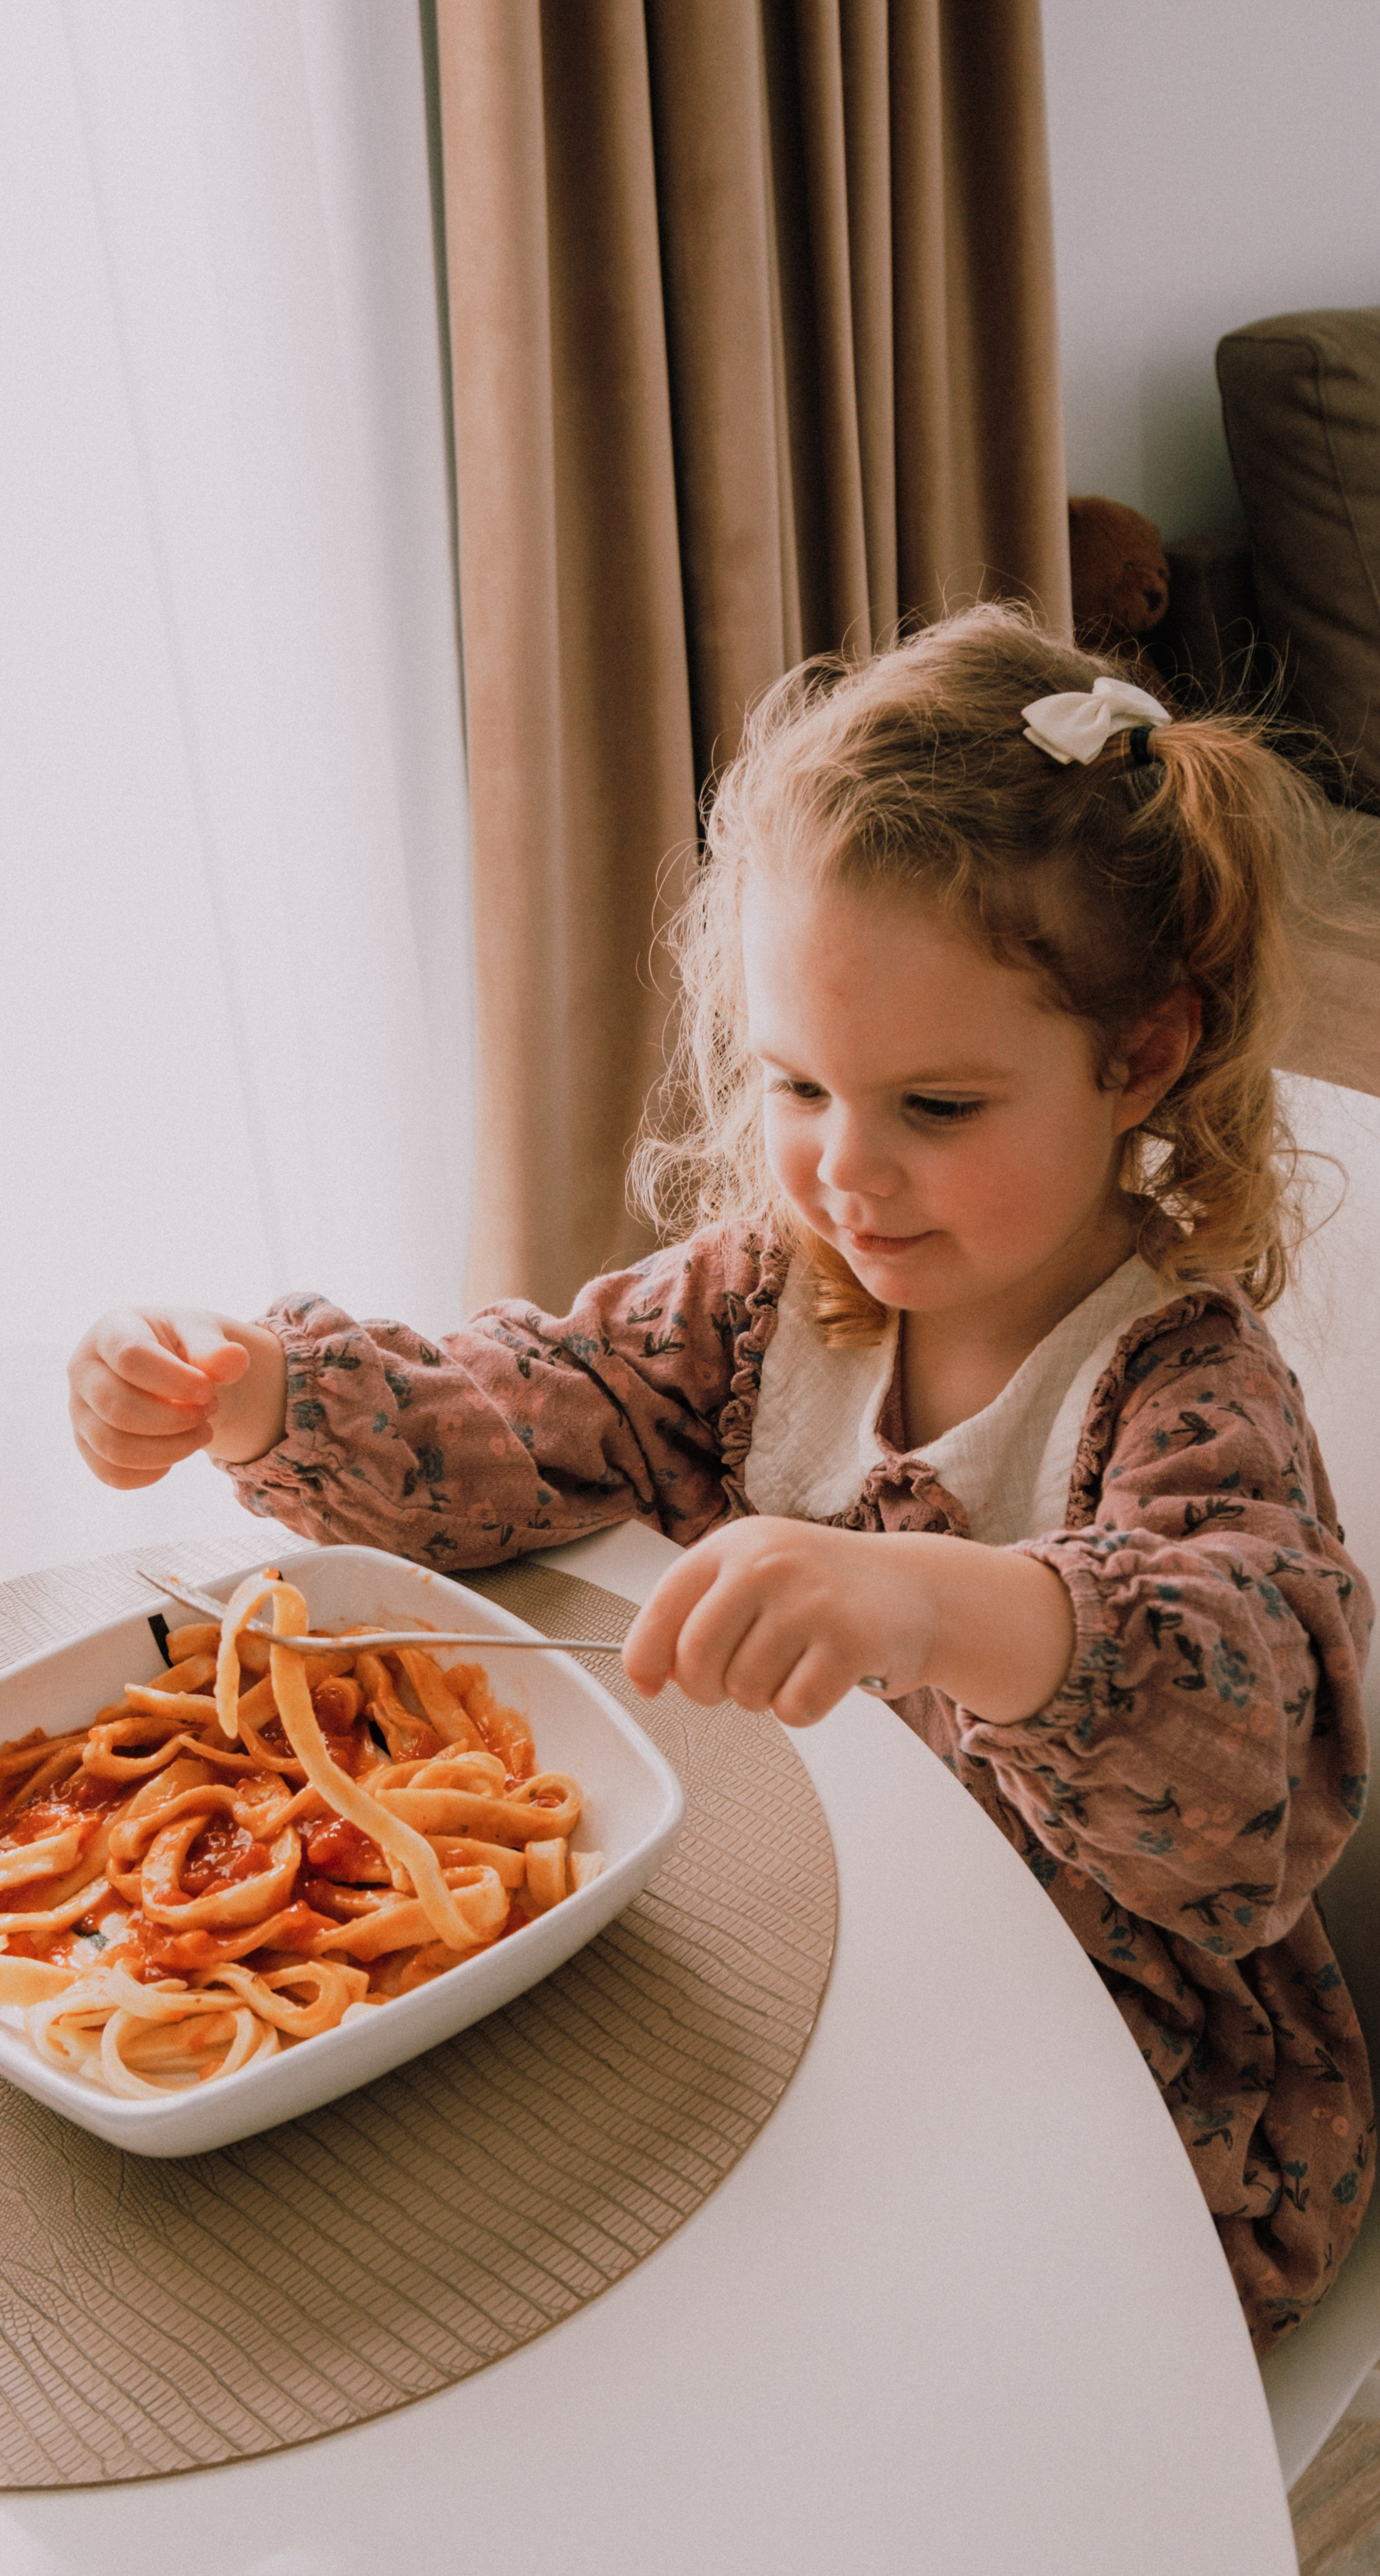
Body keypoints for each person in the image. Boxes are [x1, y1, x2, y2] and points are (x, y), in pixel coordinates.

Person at [68, 603, 1373, 2354]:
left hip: (1117, 2102)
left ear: (1135, 1056)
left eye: (936, 1105)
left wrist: (940, 1602)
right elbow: (529, 1409)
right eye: (797, 1086)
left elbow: (1252, 1749)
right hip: (792, 1960)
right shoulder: (769, 1303)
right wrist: (261, 1393)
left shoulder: (1177, 1385)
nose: (847, 1171)